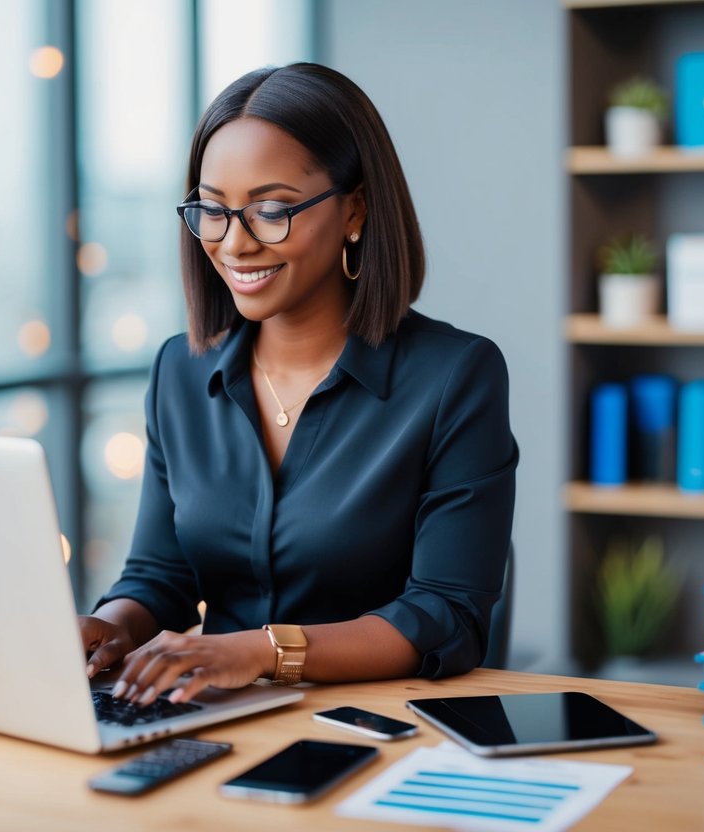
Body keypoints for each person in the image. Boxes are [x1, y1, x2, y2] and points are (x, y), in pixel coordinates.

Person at [78, 62, 517, 708]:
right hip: (207, 714)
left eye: (271, 210)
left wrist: (255, 652)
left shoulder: (455, 376)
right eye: (212, 211)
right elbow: (159, 575)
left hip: (378, 725)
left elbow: (446, 616)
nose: (234, 244)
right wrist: (106, 630)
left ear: (354, 212)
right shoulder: (180, 370)